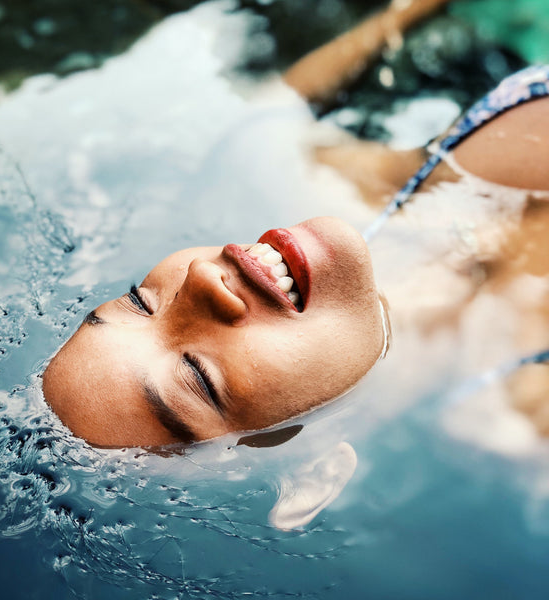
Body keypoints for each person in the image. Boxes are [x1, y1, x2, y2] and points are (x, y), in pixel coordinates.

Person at [43, 0, 549, 446]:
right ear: (318, 473)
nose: (199, 277)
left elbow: (278, 106)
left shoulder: (311, 177)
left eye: (138, 302)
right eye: (197, 377)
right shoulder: (525, 414)